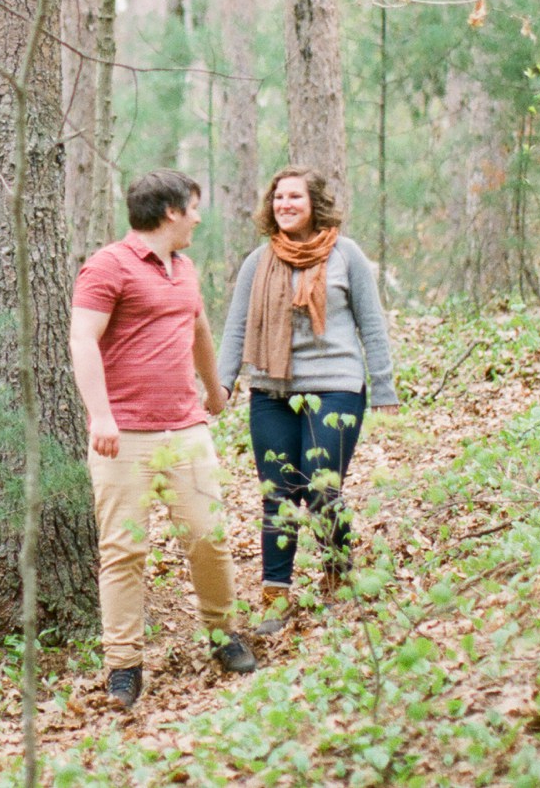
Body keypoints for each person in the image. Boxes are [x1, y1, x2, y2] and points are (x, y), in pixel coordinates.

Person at [70, 169, 258, 711]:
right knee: (124, 550)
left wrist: (216, 392)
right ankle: (124, 665)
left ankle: (223, 636)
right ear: (172, 211)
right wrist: (100, 416)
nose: (199, 217)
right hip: (122, 436)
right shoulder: (107, 266)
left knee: (208, 536)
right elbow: (83, 339)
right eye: (193, 208)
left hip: (186, 430)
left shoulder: (186, 268)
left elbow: (198, 328)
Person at [217, 165, 398, 634]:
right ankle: (275, 597)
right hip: (272, 391)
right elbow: (236, 328)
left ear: (314, 203)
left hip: (336, 386)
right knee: (277, 494)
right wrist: (222, 383)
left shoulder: (346, 255)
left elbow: (371, 325)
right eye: (278, 198)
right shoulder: (258, 262)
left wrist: (384, 387)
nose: (285, 205)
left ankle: (338, 574)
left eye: (295, 197)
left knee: (320, 489)